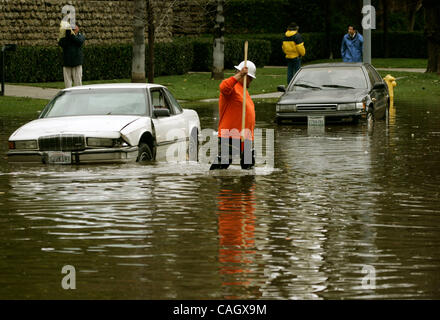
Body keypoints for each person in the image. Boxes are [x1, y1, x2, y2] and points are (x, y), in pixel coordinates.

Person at [209, 61, 257, 170]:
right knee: (221, 166)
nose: (251, 81)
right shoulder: (232, 88)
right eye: (250, 78)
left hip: (246, 136)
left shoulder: (243, 90)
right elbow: (223, 86)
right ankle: (217, 182)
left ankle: (246, 186)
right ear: (245, 76)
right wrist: (240, 74)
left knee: (249, 168)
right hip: (230, 134)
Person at [58, 23, 85, 88]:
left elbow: (79, 41)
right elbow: (61, 43)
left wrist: (72, 35)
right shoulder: (65, 38)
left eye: (74, 27)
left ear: (78, 28)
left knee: (78, 81)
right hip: (67, 62)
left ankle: (78, 94)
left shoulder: (80, 36)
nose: (73, 29)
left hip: (77, 62)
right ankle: (68, 95)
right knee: (67, 82)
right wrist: (67, 36)